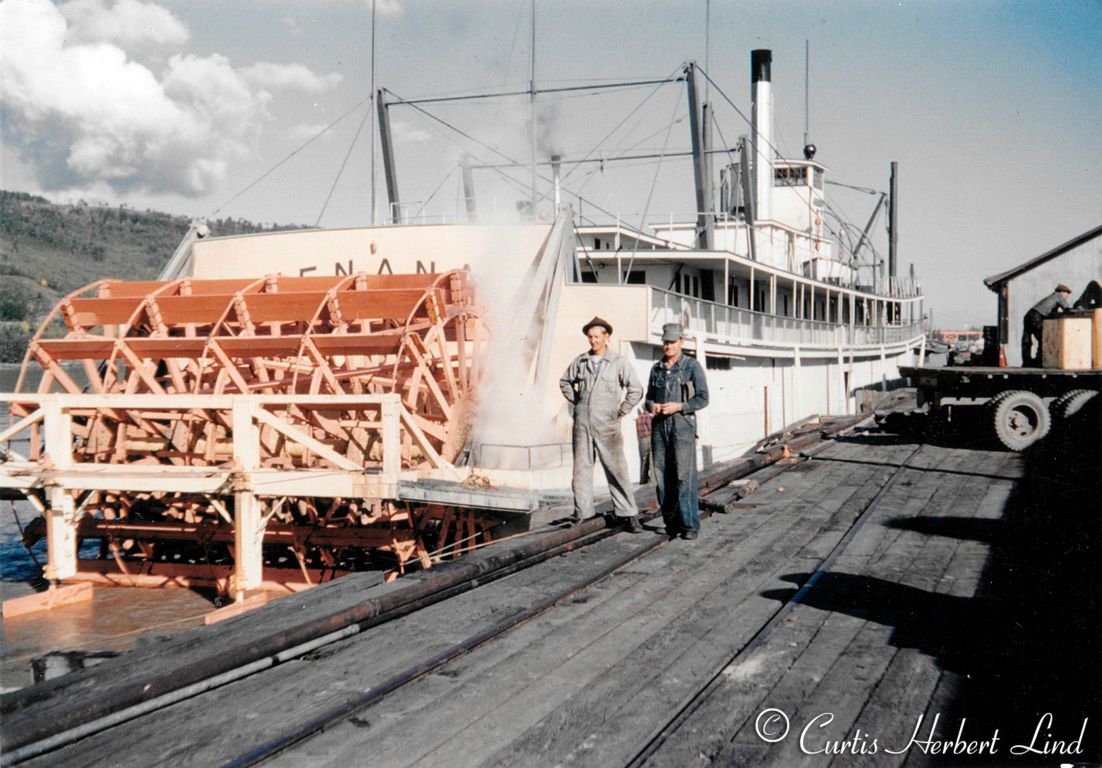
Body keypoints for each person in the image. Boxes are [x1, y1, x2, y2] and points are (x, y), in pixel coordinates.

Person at [559, 316, 644, 531]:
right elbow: (565, 381)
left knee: (616, 468)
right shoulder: (581, 361)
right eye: (590, 337)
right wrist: (577, 401)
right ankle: (584, 513)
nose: (593, 341)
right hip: (582, 424)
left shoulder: (618, 363)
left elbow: (636, 389)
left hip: (607, 424)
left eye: (597, 337)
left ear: (606, 337)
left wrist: (621, 411)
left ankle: (628, 513)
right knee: (581, 469)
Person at [645, 323, 709, 540]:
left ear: (681, 341)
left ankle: (690, 525)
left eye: (672, 342)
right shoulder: (656, 368)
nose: (668, 346)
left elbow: (703, 398)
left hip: (682, 426)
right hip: (659, 427)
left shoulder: (692, 366)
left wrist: (679, 406)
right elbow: (648, 397)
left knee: (684, 475)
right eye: (665, 342)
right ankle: (670, 523)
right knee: (662, 476)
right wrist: (652, 405)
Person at [1021, 284, 1072, 367]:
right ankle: (1039, 361)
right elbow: (1066, 309)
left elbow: (1051, 312)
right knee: (1043, 338)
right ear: (1062, 292)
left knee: (1026, 340)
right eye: (1067, 294)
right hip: (1036, 316)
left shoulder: (1050, 298)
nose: (1067, 296)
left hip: (1029, 315)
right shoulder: (1058, 296)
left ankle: (1026, 362)